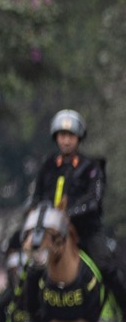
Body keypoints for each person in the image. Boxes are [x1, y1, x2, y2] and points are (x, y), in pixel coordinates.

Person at [28, 110, 125, 305]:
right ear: (56, 138)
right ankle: (30, 318)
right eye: (62, 135)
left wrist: (68, 214)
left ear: (78, 138)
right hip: (52, 232)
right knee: (31, 268)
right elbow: (37, 197)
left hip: (85, 230)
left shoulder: (91, 167)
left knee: (107, 267)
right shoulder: (47, 166)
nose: (66, 141)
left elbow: (94, 200)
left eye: (71, 136)